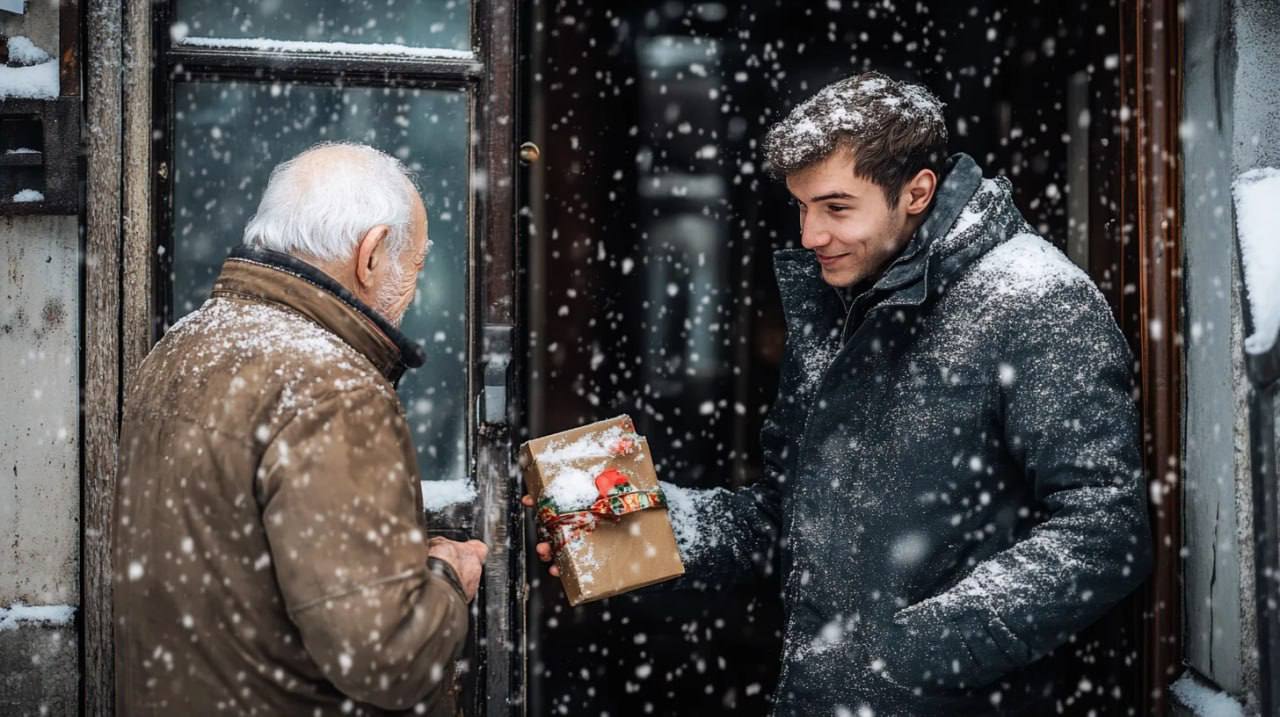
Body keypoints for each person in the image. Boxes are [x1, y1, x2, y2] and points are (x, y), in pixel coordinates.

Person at [529, 72, 1152, 715]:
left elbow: (1103, 532)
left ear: (916, 192)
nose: (810, 235)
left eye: (836, 208)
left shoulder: (1036, 299)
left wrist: (904, 655)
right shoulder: (845, 303)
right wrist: (624, 525)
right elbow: (790, 516)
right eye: (802, 207)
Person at [113, 142, 487, 715]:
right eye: (414, 266)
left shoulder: (183, 344)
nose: (413, 293)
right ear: (371, 255)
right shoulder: (334, 389)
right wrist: (448, 578)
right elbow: (387, 659)